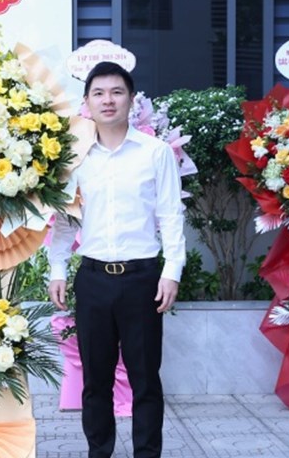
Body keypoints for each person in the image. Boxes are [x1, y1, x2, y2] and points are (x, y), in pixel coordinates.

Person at [47, 61, 185, 458]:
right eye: (99, 93)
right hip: (92, 280)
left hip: (142, 278)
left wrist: (171, 272)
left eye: (117, 92)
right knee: (96, 379)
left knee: (145, 379)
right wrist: (58, 270)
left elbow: (171, 215)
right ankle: (99, 451)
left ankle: (146, 453)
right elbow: (65, 220)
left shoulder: (155, 153)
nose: (108, 100)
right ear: (87, 102)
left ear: (131, 99)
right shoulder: (76, 157)